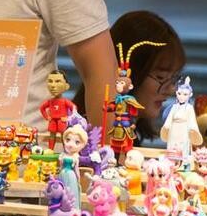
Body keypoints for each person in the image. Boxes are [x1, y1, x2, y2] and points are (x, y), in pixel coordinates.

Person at [75, 10, 186, 142]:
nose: (171, 89)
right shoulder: (81, 137)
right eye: (161, 77)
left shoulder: (131, 131)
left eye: (173, 78)